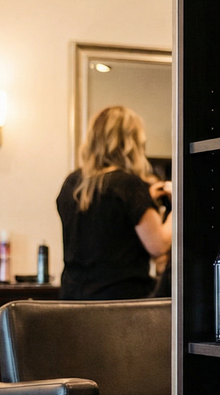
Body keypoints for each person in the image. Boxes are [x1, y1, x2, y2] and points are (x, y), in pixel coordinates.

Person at [56, 106, 171, 300]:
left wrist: (144, 200)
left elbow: (104, 222)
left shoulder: (72, 183)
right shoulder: (129, 184)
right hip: (119, 303)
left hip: (73, 301)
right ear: (131, 143)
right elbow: (158, 245)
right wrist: (179, 207)